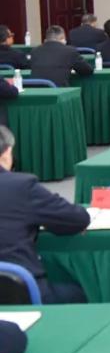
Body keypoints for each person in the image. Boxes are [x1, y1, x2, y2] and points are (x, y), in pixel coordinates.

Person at [0, 125, 91, 303]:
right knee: (82, 293)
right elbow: (77, 218)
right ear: (6, 152)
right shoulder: (20, 186)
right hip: (20, 293)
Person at [29, 26, 93, 87]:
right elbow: (87, 70)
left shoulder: (35, 51)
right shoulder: (70, 51)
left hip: (35, 90)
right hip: (59, 91)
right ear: (62, 39)